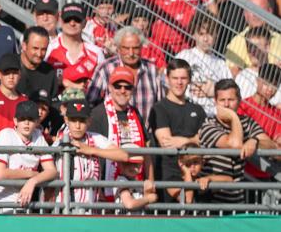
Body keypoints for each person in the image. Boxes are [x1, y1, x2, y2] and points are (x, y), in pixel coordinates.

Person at [199, 78, 277, 204]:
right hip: (211, 202)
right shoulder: (208, 125)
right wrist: (233, 116)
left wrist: (254, 140)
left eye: (231, 100)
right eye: (222, 100)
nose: (226, 105)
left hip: (236, 202)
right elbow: (234, 145)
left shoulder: (247, 122)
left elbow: (272, 146)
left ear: (239, 101)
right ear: (215, 102)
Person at [148, 59, 207, 203]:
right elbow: (167, 143)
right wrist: (194, 140)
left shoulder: (197, 110)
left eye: (183, 78)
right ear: (167, 79)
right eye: (175, 78)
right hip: (169, 175)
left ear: (189, 80)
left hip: (197, 174)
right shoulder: (159, 108)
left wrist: (186, 141)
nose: (179, 82)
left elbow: (206, 139)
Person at [88, 66, 153, 189]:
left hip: (134, 183)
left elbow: (146, 150)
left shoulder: (135, 113)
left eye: (127, 87)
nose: (122, 91)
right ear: (110, 87)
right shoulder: (97, 114)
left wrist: (150, 182)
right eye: (118, 86)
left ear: (133, 89)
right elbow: (92, 154)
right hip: (106, 185)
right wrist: (98, 187)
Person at [54, 100, 129, 205]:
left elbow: (123, 156)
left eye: (82, 120)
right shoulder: (60, 142)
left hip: (90, 207)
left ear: (89, 121)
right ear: (66, 120)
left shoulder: (96, 138)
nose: (78, 126)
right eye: (73, 120)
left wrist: (92, 150)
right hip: (64, 207)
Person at [86, 26, 164, 124]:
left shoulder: (151, 70)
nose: (131, 53)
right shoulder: (106, 69)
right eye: (126, 48)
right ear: (118, 48)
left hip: (145, 135)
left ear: (141, 47)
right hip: (112, 134)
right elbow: (90, 103)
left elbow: (160, 106)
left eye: (135, 48)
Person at [0, 99, 57, 207]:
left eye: (31, 119)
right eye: (22, 119)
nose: (26, 123)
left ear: (38, 121)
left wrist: (33, 181)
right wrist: (31, 174)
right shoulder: (6, 134)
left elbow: (52, 171)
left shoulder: (38, 137)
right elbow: (0, 173)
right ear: (15, 121)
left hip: (23, 200)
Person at [175, 13, 232, 118]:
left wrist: (215, 91)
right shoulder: (184, 56)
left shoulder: (222, 64)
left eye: (210, 34)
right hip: (186, 113)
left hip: (213, 117)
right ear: (193, 34)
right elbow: (169, 83)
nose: (206, 39)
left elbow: (231, 94)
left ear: (216, 34)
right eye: (201, 34)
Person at [224, 0, 281, 76]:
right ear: (245, 14)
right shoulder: (237, 42)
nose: (255, 15)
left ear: (269, 12)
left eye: (260, 10)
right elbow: (233, 73)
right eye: (252, 10)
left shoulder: (279, 38)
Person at [44, 2, 102, 79]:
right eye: (67, 19)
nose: (72, 23)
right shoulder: (48, 49)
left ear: (84, 23)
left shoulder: (96, 53)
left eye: (77, 20)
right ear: (61, 21)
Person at [240, 63, 281, 143]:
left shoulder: (277, 114)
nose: (270, 89)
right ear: (257, 80)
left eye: (274, 85)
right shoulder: (242, 107)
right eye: (266, 83)